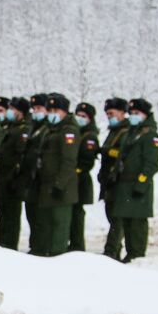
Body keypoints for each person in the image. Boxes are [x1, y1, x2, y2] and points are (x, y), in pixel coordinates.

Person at [107, 97, 158, 262]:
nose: (134, 116)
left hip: (138, 187)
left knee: (137, 225)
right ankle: (130, 255)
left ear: (145, 115)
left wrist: (141, 184)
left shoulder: (151, 135)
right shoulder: (131, 133)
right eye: (132, 113)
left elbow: (151, 164)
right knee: (127, 224)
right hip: (125, 187)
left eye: (137, 113)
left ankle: (136, 257)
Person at [31, 93, 79, 256]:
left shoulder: (68, 131)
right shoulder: (51, 130)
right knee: (45, 227)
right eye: (50, 110)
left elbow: (68, 162)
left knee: (59, 228)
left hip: (61, 189)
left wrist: (59, 185)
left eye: (55, 110)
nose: (52, 113)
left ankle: (57, 258)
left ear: (64, 111)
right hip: (46, 186)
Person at [0, 96, 31, 250]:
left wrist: (15, 177)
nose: (9, 112)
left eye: (12, 109)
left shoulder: (24, 129)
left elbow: (20, 155)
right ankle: (3, 243)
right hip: (2, 177)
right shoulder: (8, 127)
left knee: (11, 218)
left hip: (13, 179)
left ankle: (9, 246)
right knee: (3, 216)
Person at [98, 97, 131, 258]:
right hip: (109, 182)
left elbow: (124, 154)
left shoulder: (126, 131)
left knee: (117, 220)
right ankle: (114, 251)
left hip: (118, 181)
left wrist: (109, 152)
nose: (109, 116)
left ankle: (111, 251)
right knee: (111, 216)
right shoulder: (114, 131)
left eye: (112, 113)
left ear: (122, 113)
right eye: (107, 114)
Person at [19, 93, 50, 252]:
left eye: (39, 108)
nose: (36, 111)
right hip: (30, 178)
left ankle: (40, 247)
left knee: (40, 218)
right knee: (31, 215)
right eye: (34, 108)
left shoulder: (47, 128)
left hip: (40, 179)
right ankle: (35, 245)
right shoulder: (34, 126)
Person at [70, 101, 101, 253]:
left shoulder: (90, 136)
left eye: (84, 116)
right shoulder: (77, 132)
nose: (80, 118)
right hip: (73, 180)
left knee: (77, 216)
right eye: (78, 115)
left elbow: (87, 161)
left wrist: (75, 171)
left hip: (80, 180)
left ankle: (77, 246)